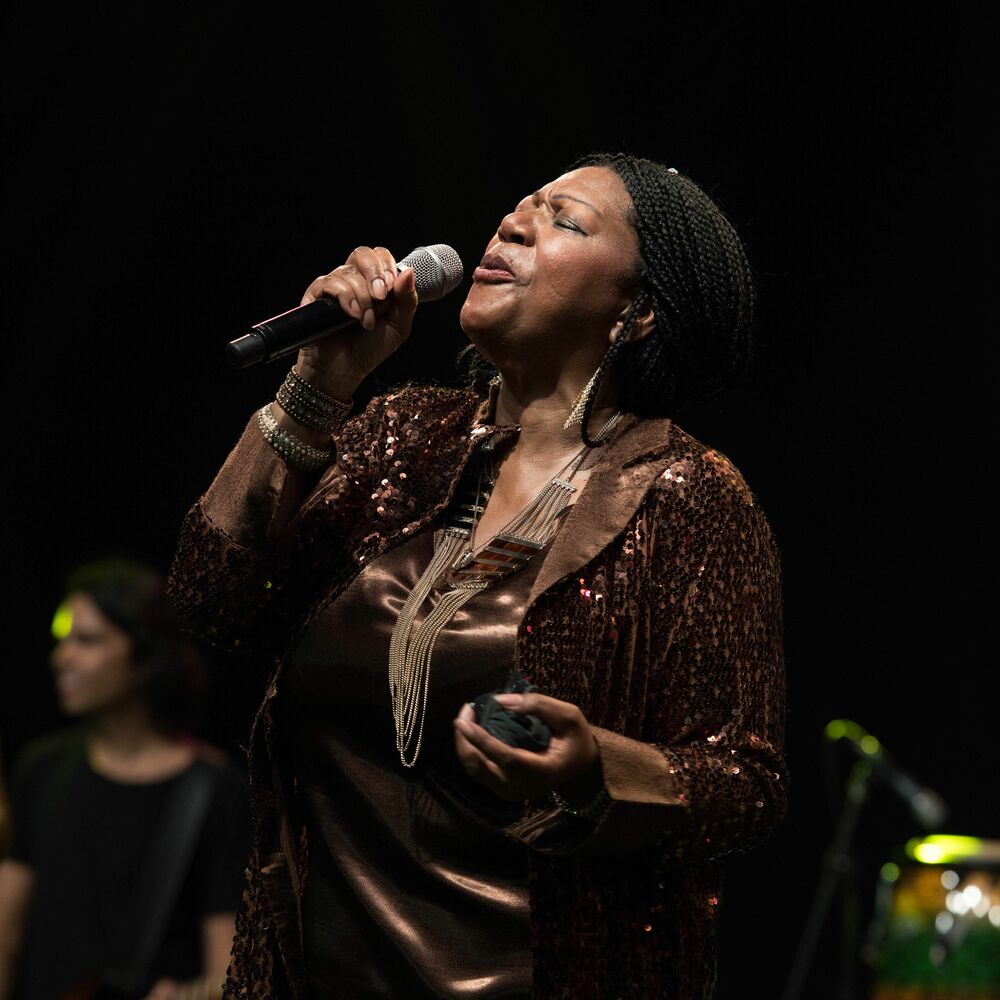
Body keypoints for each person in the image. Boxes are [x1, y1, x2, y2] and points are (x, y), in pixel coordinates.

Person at [167, 152, 787, 999]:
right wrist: (318, 384)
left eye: (564, 220)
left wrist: (594, 768)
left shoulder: (686, 498)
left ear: (636, 311)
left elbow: (746, 783)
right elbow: (211, 601)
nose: (513, 224)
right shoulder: (401, 436)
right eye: (521, 206)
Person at [0, 557, 252, 1000]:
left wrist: (189, 995)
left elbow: (228, 973)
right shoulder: (42, 767)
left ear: (146, 657)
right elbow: (6, 935)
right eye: (61, 639)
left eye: (87, 640)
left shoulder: (216, 791)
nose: (61, 657)